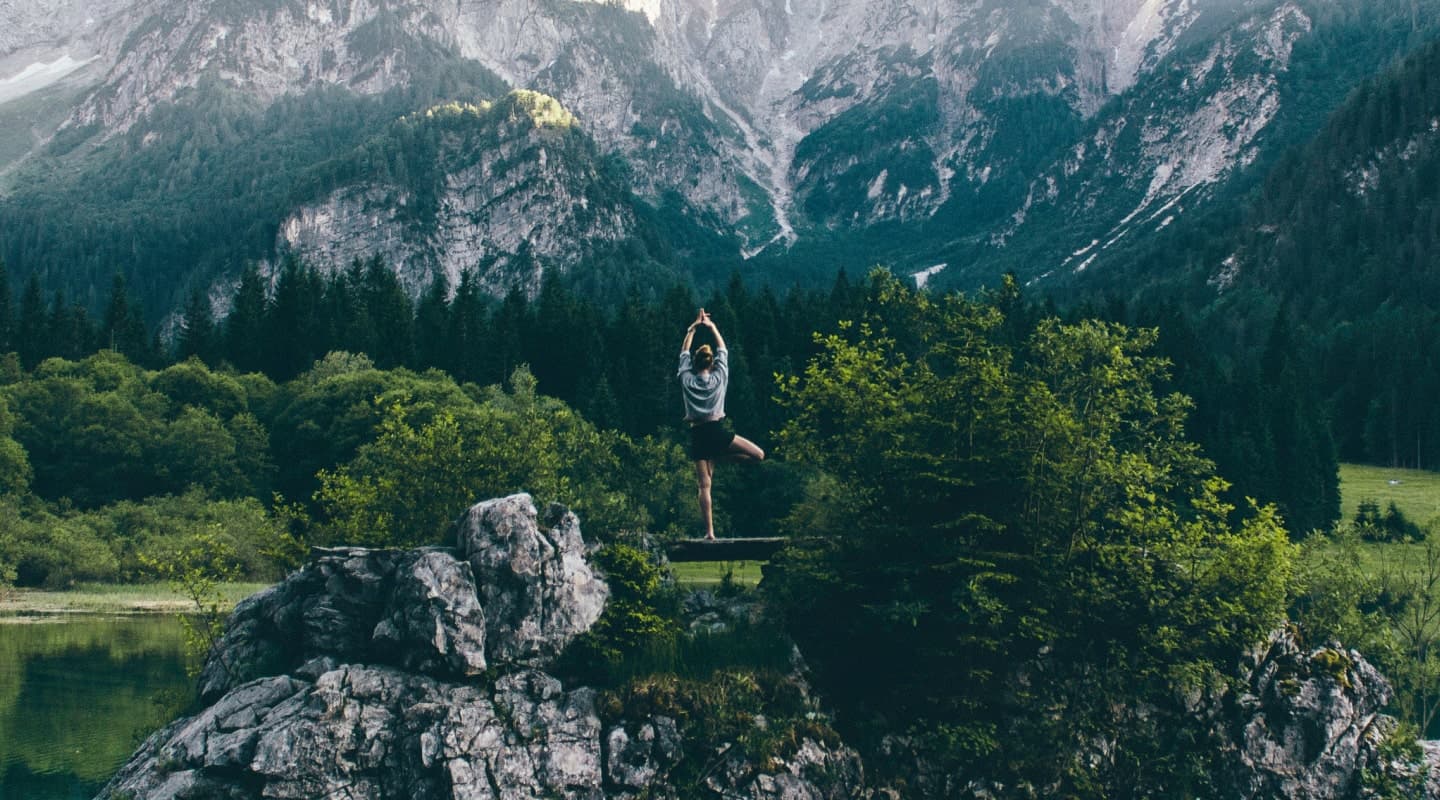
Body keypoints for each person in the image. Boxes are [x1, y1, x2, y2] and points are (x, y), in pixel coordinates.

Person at [679, 309, 765, 540]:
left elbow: (684, 353)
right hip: (717, 432)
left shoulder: (686, 379)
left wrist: (693, 328)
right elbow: (723, 350)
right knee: (758, 455)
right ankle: (720, 457)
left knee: (704, 487)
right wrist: (711, 326)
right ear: (712, 363)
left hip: (697, 435)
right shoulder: (719, 378)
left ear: (694, 364)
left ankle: (710, 532)